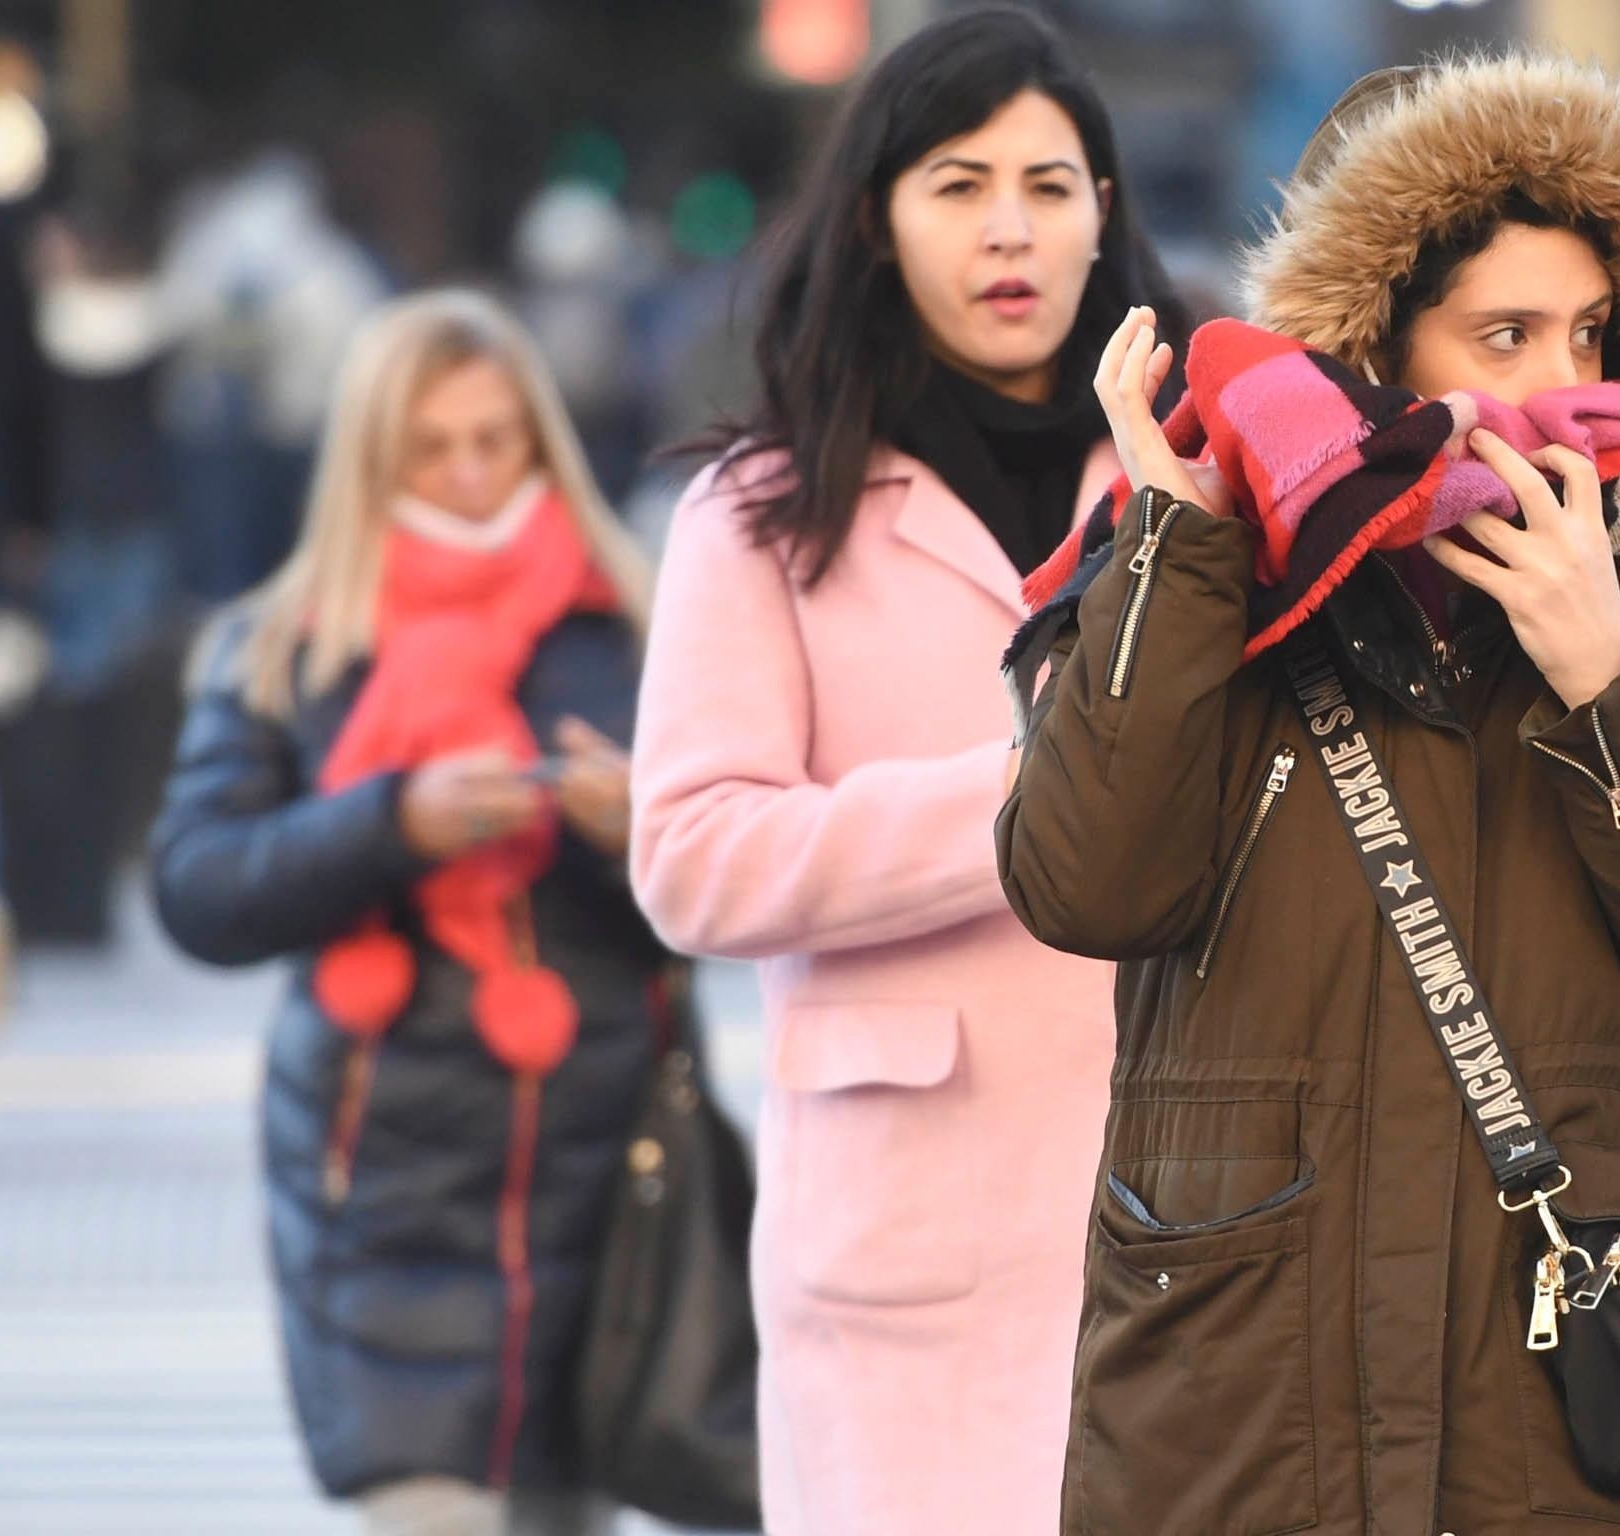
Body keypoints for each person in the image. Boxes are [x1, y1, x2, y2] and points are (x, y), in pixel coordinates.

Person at [997, 55, 1620, 1533]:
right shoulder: (1203, 598)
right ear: (1367, 354)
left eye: (1591, 335)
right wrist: (1185, 553)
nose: (1562, 387)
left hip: (1564, 1450)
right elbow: (1085, 885)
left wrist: (1610, 688)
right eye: (1501, 334)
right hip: (1246, 1425)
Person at [623, 10, 1187, 1532]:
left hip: (1194, 1200)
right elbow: (691, 857)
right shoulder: (758, 510)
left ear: (1104, 215)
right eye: (956, 183)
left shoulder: (1197, 487)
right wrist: (1021, 802)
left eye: (1049, 184)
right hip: (907, 1234)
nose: (1009, 227)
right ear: (876, 218)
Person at [149, 290, 664, 1536]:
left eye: (502, 439)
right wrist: (391, 824)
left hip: (600, 1182)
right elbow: (200, 888)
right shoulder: (282, 643)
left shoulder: (634, 622)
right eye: (433, 447)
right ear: (372, 459)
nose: (475, 475)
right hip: (380, 1190)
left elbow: (730, 898)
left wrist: (635, 827)